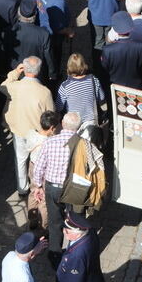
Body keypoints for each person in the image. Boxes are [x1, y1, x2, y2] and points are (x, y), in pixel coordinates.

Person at [0, 57, 55, 196]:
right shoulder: (44, 91)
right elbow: (51, 113)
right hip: (37, 133)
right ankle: (37, 187)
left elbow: (2, 86)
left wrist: (14, 73)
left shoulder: (14, 87)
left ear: (24, 69)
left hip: (19, 130)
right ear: (39, 70)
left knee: (20, 160)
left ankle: (22, 189)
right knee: (38, 161)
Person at [33, 111, 82, 266]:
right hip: (72, 189)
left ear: (62, 123)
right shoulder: (82, 143)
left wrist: (38, 185)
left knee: (55, 222)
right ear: (78, 127)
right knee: (74, 222)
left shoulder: (50, 142)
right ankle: (74, 253)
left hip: (52, 189)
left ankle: (55, 256)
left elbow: (39, 167)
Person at [56, 211, 107, 282]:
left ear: (78, 233)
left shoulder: (77, 255)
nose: (64, 232)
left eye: (67, 231)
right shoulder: (90, 233)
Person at [6, 0, 54, 82]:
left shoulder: (9, 31)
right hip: (35, 74)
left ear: (18, 12)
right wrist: (52, 73)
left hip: (15, 71)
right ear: (35, 14)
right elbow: (49, 57)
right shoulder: (43, 34)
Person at [36, 0, 73, 79]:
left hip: (40, 28)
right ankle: (53, 76)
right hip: (52, 37)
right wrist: (68, 31)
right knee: (54, 57)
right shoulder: (58, 2)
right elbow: (57, 28)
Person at [26, 110, 59, 232]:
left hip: (32, 165)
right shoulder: (49, 142)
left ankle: (32, 220)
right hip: (44, 170)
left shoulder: (31, 134)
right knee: (43, 199)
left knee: (33, 192)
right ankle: (44, 226)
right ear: (51, 128)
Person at [101, 11, 142, 91]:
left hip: (115, 87)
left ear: (116, 30)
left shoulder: (107, 50)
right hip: (136, 87)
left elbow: (105, 71)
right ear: (131, 28)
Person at [56, 53, 105, 126]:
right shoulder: (94, 80)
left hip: (73, 123)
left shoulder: (65, 86)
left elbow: (59, 107)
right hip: (90, 122)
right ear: (83, 65)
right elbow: (102, 97)